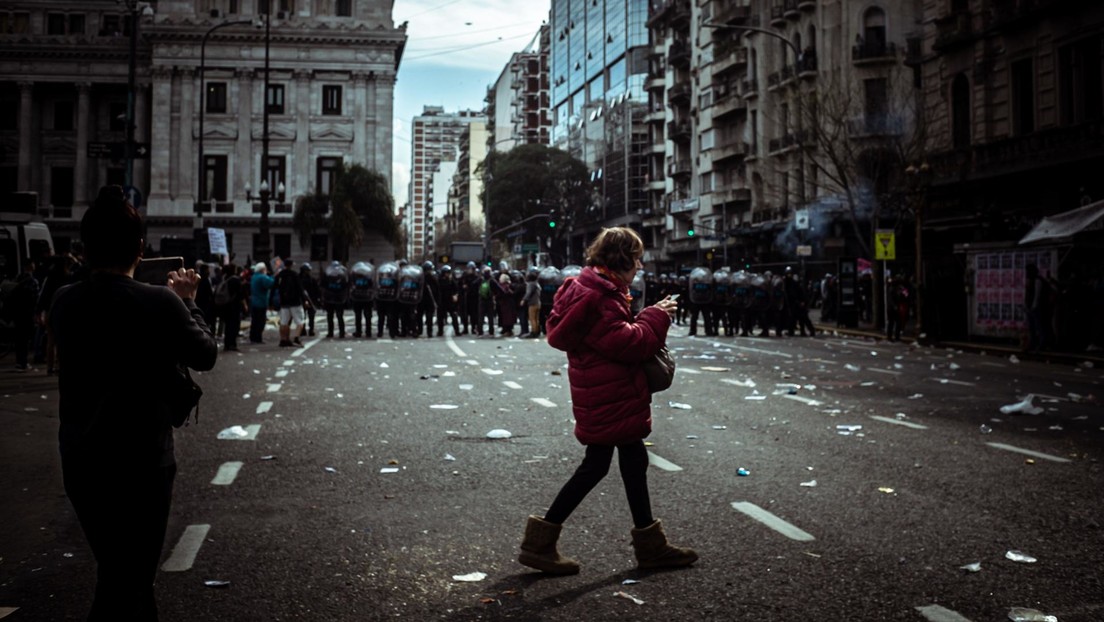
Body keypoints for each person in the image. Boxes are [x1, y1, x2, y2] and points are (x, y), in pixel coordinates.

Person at [48, 185, 217, 620]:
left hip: (82, 458)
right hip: (142, 462)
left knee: (118, 571)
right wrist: (188, 301)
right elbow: (205, 353)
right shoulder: (161, 301)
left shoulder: (64, 301)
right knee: (130, 577)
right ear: (140, 248)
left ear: (84, 248)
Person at [518, 227, 697, 575]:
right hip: (609, 394)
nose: (640, 265)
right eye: (636, 258)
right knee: (601, 464)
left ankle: (649, 545)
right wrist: (657, 315)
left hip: (603, 392)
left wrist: (646, 313)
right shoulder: (600, 297)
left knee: (627, 460)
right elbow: (630, 344)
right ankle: (540, 543)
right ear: (621, 259)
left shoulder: (593, 288)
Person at [274, 259, 305, 347]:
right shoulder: (294, 274)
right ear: (291, 265)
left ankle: (283, 339)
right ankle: (296, 338)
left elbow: (275, 287)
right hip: (295, 302)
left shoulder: (280, 275)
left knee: (284, 322)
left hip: (284, 302)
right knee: (299, 321)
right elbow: (300, 288)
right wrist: (304, 300)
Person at [217, 263, 244, 351]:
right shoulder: (235, 280)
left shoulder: (225, 278)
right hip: (234, 306)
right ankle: (232, 344)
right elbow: (240, 294)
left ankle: (227, 344)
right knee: (234, 326)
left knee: (228, 326)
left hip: (226, 306)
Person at [248, 262, 274, 344]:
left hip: (254, 302)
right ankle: (258, 338)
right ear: (263, 269)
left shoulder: (254, 277)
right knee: (260, 321)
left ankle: (253, 337)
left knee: (254, 321)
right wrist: (274, 276)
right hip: (261, 302)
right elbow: (271, 284)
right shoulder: (262, 277)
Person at [299, 262, 320, 337]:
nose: (308, 272)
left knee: (310, 316)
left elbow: (316, 290)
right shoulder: (299, 279)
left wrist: (317, 298)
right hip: (302, 300)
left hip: (310, 299)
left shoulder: (311, 279)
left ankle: (310, 330)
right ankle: (304, 330)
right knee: (303, 316)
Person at [521, 269, 541, 338]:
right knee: (536, 318)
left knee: (532, 318)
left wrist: (524, 300)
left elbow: (528, 293)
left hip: (532, 303)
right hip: (538, 303)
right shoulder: (537, 284)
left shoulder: (530, 284)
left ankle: (533, 331)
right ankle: (537, 330)